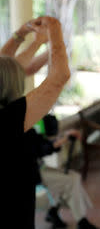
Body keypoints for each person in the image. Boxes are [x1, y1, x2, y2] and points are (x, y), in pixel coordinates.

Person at [0, 17, 70, 228]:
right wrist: (56, 30)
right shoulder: (8, 119)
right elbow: (59, 76)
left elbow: (7, 65)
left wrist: (25, 36)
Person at [25, 127, 98, 229]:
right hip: (33, 174)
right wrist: (64, 138)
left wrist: (64, 136)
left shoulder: (28, 129)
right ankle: (80, 221)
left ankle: (53, 211)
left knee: (72, 178)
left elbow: (43, 144)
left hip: (38, 170)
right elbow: (42, 149)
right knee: (71, 180)